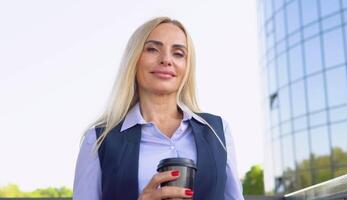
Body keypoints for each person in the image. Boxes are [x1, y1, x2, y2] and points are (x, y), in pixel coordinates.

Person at [73, 16, 245, 200]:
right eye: (152, 49)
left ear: (187, 66)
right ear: (134, 58)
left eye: (178, 53)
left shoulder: (218, 131)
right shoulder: (99, 140)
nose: (166, 59)